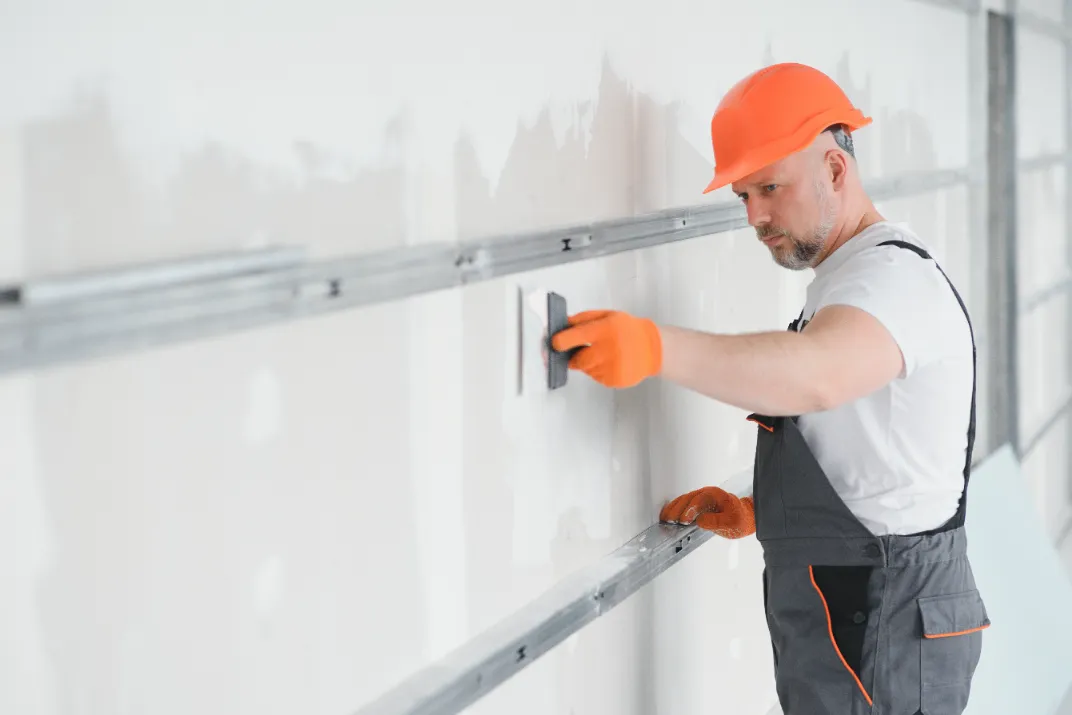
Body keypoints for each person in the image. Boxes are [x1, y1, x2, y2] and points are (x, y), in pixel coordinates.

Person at [551, 62, 990, 715]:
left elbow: (816, 374)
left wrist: (654, 346)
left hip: (884, 612)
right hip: (862, 602)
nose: (754, 215)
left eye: (769, 188)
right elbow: (877, 449)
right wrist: (769, 508)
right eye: (742, 196)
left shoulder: (892, 282)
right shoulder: (851, 281)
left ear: (836, 170)